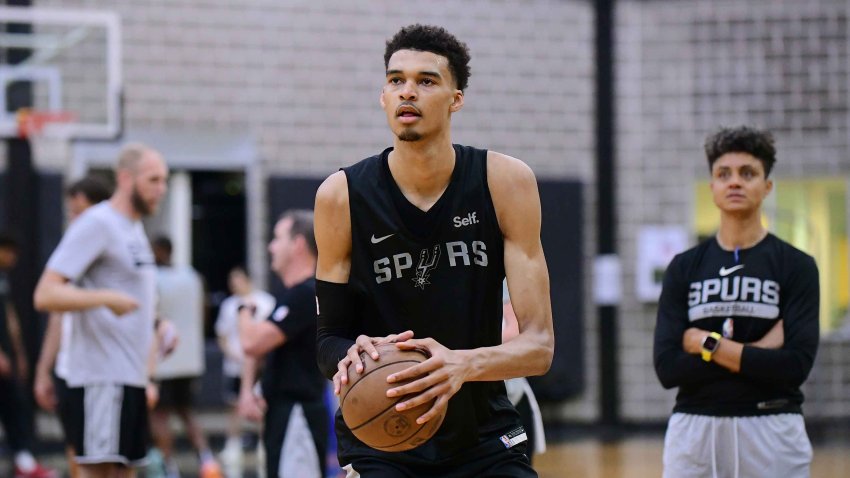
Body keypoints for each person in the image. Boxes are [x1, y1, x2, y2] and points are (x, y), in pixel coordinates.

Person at [314, 24, 554, 477]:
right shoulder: (340, 196)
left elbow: (539, 348)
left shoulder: (505, 182)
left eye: (426, 81)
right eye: (395, 80)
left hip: (482, 433)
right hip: (381, 436)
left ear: (456, 98)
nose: (408, 92)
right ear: (383, 96)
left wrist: (460, 366)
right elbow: (328, 342)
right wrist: (352, 354)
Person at [654, 126, 820, 478]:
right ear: (712, 186)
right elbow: (668, 368)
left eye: (748, 173)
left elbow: (794, 366)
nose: (735, 182)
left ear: (767, 186)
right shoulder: (684, 267)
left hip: (772, 423)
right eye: (723, 174)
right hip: (695, 426)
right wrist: (756, 349)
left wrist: (705, 343)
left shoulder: (797, 266)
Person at [33, 143, 169, 478]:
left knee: (125, 472)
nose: (161, 189)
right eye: (153, 180)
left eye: (164, 181)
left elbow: (139, 305)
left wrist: (158, 331)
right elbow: (45, 294)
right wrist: (104, 298)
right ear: (126, 178)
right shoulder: (97, 223)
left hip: (130, 377)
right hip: (101, 379)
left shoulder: (134, 229)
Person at [238, 210, 328, 478]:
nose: (270, 247)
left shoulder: (305, 293)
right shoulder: (289, 295)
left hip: (299, 414)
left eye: (277, 238)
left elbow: (252, 342)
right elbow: (260, 347)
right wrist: (246, 391)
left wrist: (244, 308)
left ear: (298, 244)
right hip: (284, 413)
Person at [33, 175, 112, 478]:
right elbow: (56, 314)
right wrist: (44, 370)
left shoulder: (116, 250)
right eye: (71, 212)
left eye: (80, 211)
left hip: (105, 372)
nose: (75, 219)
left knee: (112, 461)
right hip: (72, 371)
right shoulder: (71, 255)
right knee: (76, 453)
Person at [148, 236, 221, 478]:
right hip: (190, 356)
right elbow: (204, 312)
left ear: (159, 250)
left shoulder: (151, 279)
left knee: (160, 414)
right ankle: (207, 460)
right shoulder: (192, 276)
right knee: (186, 411)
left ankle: (168, 468)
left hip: (164, 357)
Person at [0, 234, 57, 478]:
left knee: (15, 405)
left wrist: (19, 352)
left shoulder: (4, 279)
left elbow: (10, 316)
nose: (12, 258)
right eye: (8, 251)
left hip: (7, 356)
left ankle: (23, 461)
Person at [214, 265, 275, 465]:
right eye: (232, 280)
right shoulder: (229, 305)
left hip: (260, 363)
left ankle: (263, 444)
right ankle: (233, 444)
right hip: (236, 364)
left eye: (238, 279)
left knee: (262, 403)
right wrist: (233, 354)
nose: (234, 284)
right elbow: (221, 335)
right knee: (234, 405)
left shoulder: (266, 301)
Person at [501, 283, 546, 465]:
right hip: (466, 402)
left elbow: (515, 329)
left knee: (516, 463)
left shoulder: (498, 275)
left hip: (512, 400)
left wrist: (463, 350)